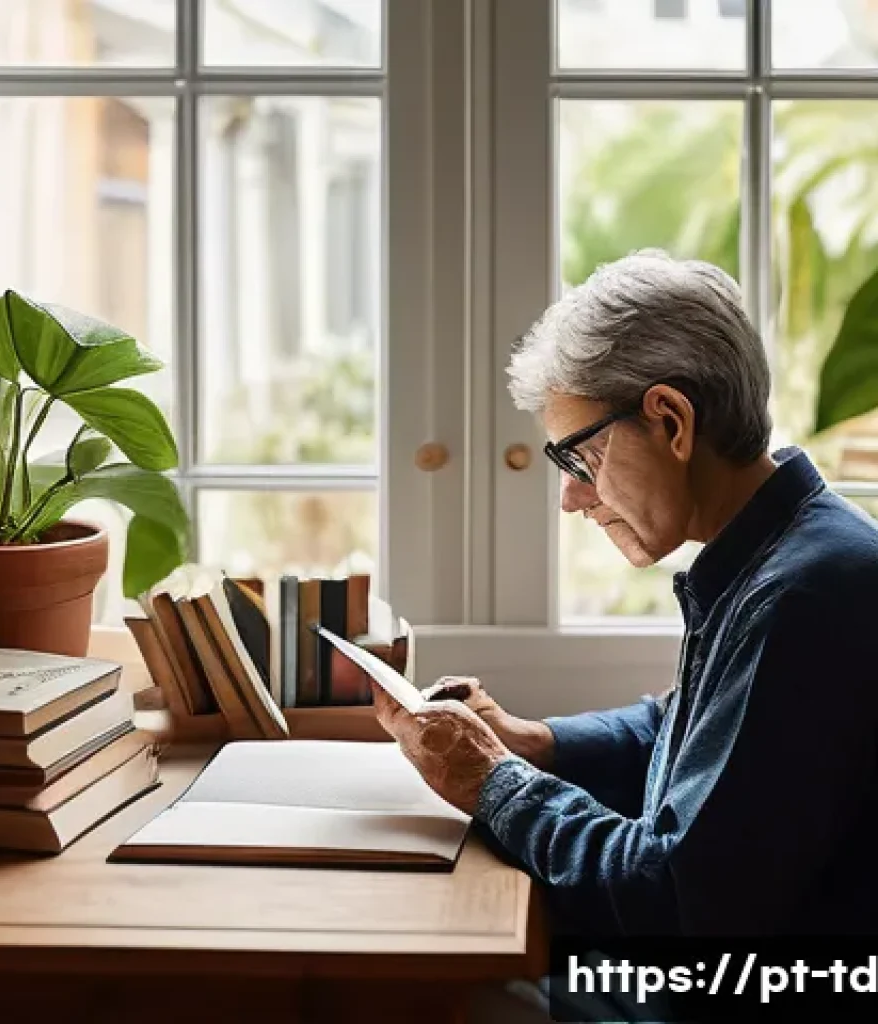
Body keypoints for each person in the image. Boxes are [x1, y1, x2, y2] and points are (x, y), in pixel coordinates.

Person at [371, 249, 878, 1017]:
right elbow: (680, 727)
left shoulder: (807, 593)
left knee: (428, 996)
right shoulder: (787, 551)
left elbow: (674, 899)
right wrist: (534, 741)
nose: (573, 498)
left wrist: (493, 782)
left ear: (670, 421)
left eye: (581, 455)